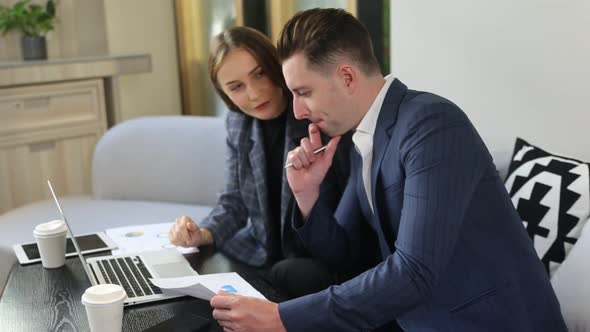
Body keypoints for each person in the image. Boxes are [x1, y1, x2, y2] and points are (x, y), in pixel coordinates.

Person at [209, 8, 568, 332]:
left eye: (304, 92)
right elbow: (341, 255)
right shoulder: (364, 137)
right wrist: (307, 194)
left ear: (347, 77)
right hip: (413, 317)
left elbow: (415, 272)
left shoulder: (431, 125)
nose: (299, 111)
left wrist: (281, 318)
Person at [168, 26, 353, 299]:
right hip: (258, 256)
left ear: (275, 65)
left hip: (315, 263)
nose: (254, 94)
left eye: (260, 74)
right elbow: (234, 201)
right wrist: (202, 233)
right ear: (224, 94)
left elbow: (345, 210)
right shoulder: (238, 123)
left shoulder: (316, 115)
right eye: (236, 87)